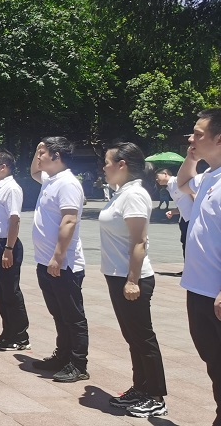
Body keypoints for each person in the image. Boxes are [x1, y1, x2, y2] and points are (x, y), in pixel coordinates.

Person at [99, 143, 168, 417]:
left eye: (107, 162)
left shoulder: (135, 194)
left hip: (132, 279)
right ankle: (141, 387)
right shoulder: (122, 193)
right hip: (117, 276)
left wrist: (132, 280)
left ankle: (156, 397)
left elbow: (139, 241)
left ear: (122, 164)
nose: (104, 167)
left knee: (143, 337)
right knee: (133, 338)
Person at [29, 136, 90, 383]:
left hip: (63, 264)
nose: (39, 156)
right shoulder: (50, 179)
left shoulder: (67, 183)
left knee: (73, 317)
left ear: (57, 156)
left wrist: (58, 256)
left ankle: (78, 363)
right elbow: (34, 171)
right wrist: (39, 147)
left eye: (43, 153)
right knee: (59, 314)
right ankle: (62, 356)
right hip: (46, 262)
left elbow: (69, 220)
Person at [176, 108, 221, 426]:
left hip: (216, 292)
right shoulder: (208, 177)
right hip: (199, 288)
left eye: (198, 134)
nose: (191, 138)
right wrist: (192, 156)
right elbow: (182, 183)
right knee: (213, 360)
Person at [0, 151, 30, 351]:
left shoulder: (11, 189)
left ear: (4, 167)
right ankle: (8, 332)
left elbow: (14, 220)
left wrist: (9, 248)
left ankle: (20, 336)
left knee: (11, 292)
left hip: (5, 245)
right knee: (1, 293)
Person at [157, 168, 193, 260]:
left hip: (191, 217)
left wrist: (198, 210)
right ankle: (187, 265)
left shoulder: (178, 180)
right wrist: (173, 212)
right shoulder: (169, 188)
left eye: (157, 176)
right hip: (184, 218)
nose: (156, 179)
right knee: (185, 243)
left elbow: (192, 193)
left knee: (191, 244)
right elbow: (182, 203)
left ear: (165, 174)